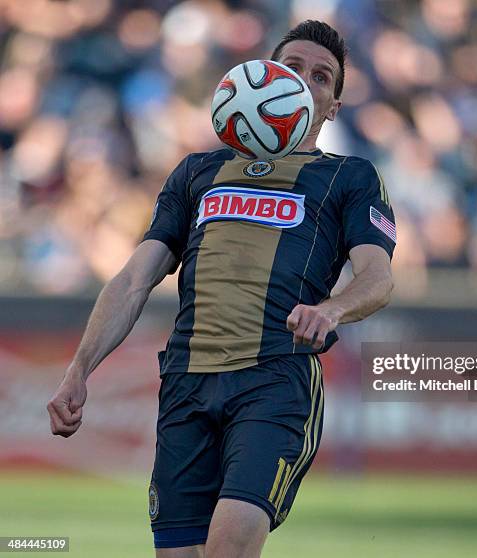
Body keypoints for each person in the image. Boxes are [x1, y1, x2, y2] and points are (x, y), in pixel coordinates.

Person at [47, 20, 395, 558]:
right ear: (262, 77)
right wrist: (78, 369)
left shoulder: (348, 177)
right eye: (293, 68)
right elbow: (135, 278)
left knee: (228, 549)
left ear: (331, 107)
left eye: (322, 78)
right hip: (186, 384)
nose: (305, 81)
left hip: (274, 381)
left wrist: (332, 310)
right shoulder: (197, 172)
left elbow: (378, 277)